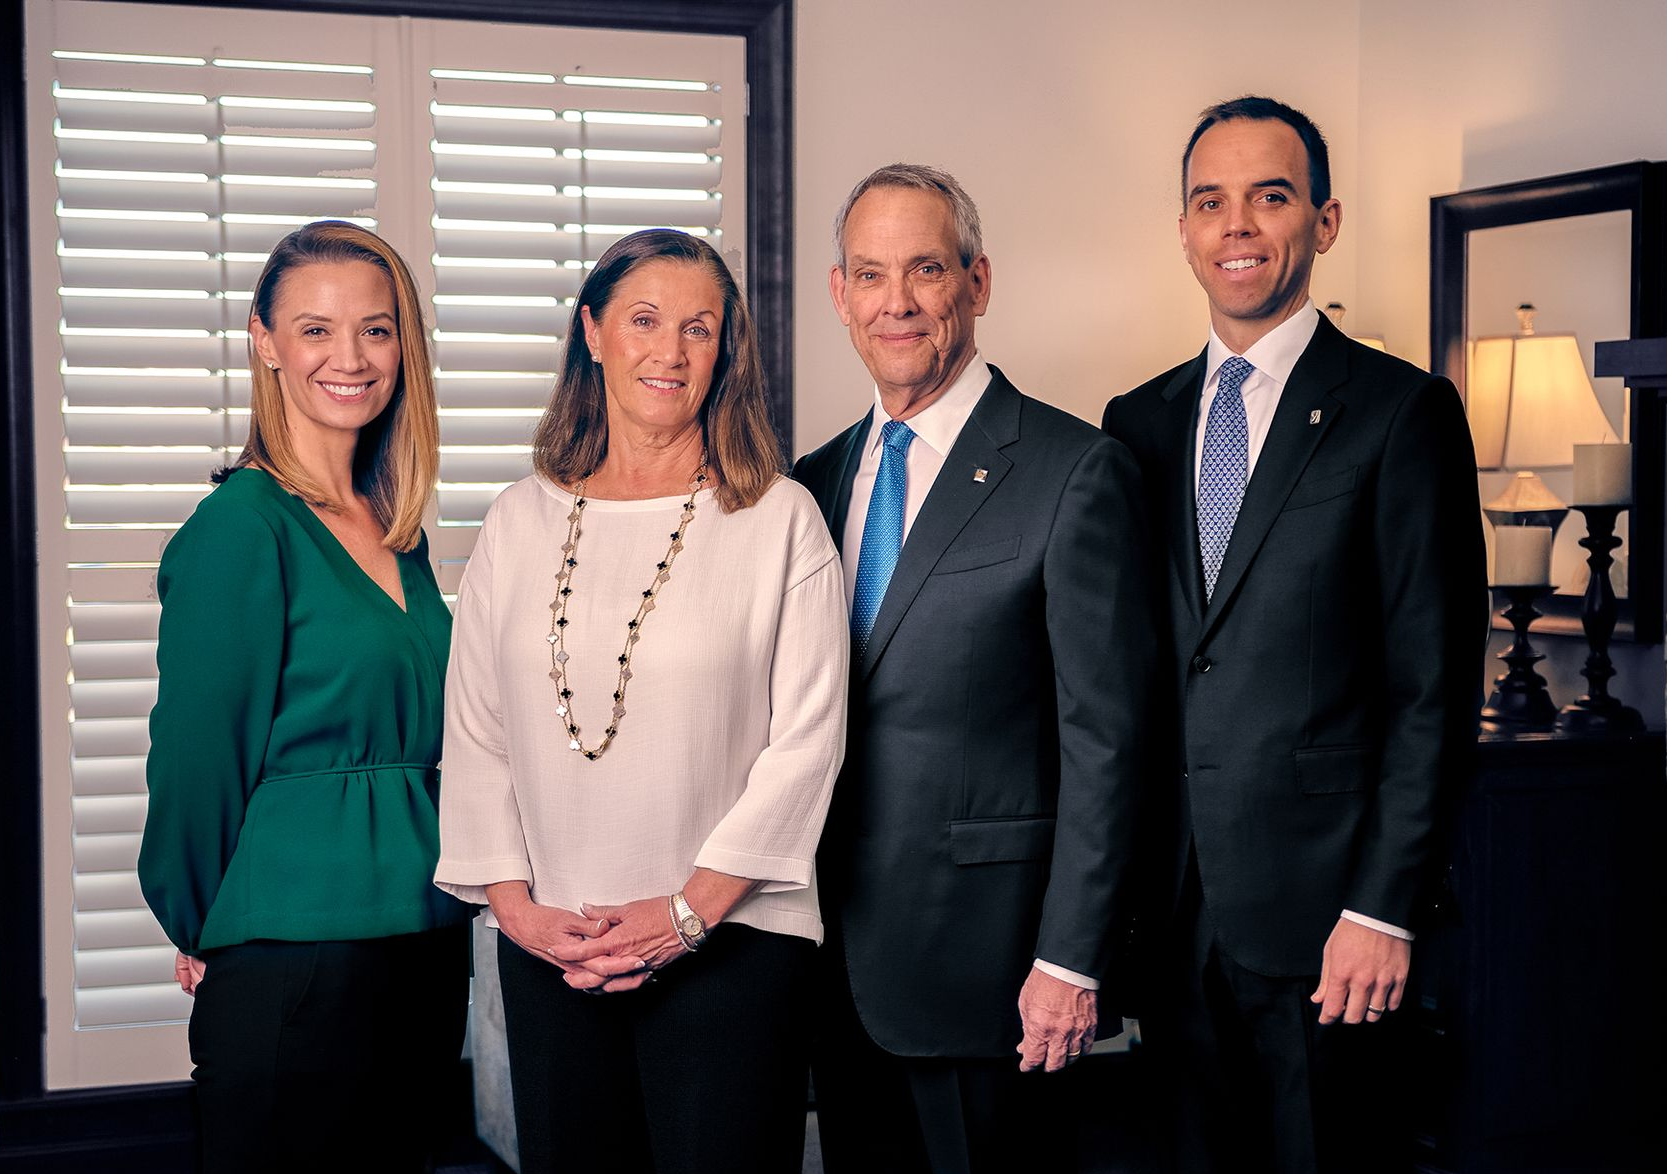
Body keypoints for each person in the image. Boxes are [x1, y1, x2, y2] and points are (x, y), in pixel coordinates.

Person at [1101, 96, 1486, 1173]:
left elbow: (1432, 685)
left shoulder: (1399, 414)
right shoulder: (1134, 422)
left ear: (1321, 221)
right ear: (1181, 230)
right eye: (1208, 202)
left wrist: (1383, 904)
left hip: (1329, 919)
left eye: (1267, 197)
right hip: (1172, 915)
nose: (1235, 225)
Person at [434, 228, 847, 1174]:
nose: (669, 352)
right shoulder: (517, 520)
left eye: (698, 328)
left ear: (725, 350)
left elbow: (808, 743)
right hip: (551, 948)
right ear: (592, 331)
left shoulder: (778, 520)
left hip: (732, 944)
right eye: (644, 321)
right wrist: (518, 911)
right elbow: (478, 734)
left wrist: (686, 914)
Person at [792, 164, 1156, 1173]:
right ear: (839, 295)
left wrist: (1070, 956)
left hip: (993, 970)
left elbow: (1108, 739)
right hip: (833, 965)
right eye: (869, 275)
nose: (896, 302)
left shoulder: (1071, 471)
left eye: (924, 270)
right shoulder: (807, 484)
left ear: (977, 282)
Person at [137, 220, 474, 1173]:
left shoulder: (393, 530)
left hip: (422, 937)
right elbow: (197, 759)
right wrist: (200, 923)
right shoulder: (241, 528)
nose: (350, 357)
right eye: (315, 329)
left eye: (375, 329)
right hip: (292, 953)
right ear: (264, 340)